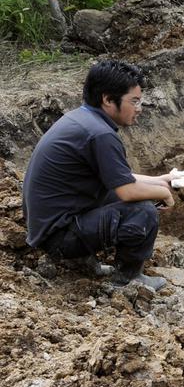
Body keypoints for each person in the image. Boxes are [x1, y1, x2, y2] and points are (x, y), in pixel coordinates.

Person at [22, 59, 176, 291]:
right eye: (134, 101)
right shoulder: (100, 134)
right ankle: (129, 279)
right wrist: (164, 192)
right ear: (107, 99)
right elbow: (127, 190)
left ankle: (82, 259)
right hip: (58, 237)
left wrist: (160, 180)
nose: (139, 108)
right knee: (143, 211)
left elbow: (119, 177)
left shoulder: (83, 120)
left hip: (51, 225)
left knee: (125, 195)